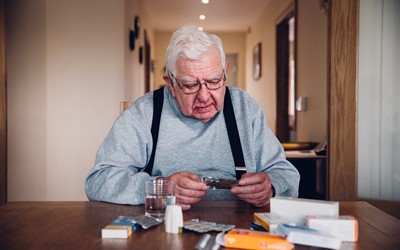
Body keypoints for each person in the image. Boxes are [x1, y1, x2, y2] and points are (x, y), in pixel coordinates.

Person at [85, 24, 300, 210]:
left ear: (225, 71)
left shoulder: (245, 108)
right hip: (162, 231)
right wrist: (160, 188)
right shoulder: (144, 114)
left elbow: (286, 174)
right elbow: (98, 181)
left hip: (239, 231)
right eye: (190, 85)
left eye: (214, 81)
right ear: (171, 83)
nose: (204, 96)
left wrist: (270, 187)